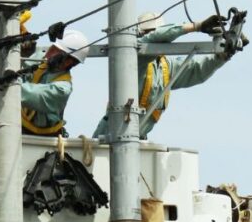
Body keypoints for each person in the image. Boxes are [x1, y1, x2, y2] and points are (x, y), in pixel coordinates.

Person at [92, 13, 236, 139]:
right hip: (109, 139)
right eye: (151, 33)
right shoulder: (134, 58)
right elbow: (157, 37)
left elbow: (197, 71)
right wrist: (196, 26)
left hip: (136, 141)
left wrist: (223, 55)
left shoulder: (166, 66)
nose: (160, 38)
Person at [20, 30, 89, 137]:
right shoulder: (41, 61)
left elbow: (23, 93)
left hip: (44, 138)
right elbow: (20, 70)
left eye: (54, 50)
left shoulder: (62, 89)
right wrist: (19, 54)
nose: (47, 53)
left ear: (68, 61)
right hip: (19, 127)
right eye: (52, 47)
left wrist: (7, 81)